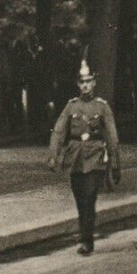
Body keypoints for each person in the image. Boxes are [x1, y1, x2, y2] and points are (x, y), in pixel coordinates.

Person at [48, 63, 121, 255]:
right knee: (80, 198)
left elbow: (112, 136)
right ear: (78, 84)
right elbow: (59, 131)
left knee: (89, 197)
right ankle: (85, 233)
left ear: (94, 83)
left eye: (89, 82)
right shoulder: (71, 106)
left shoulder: (102, 107)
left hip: (95, 156)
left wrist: (115, 164)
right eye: (82, 82)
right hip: (75, 158)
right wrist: (53, 156)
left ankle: (86, 240)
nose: (86, 86)